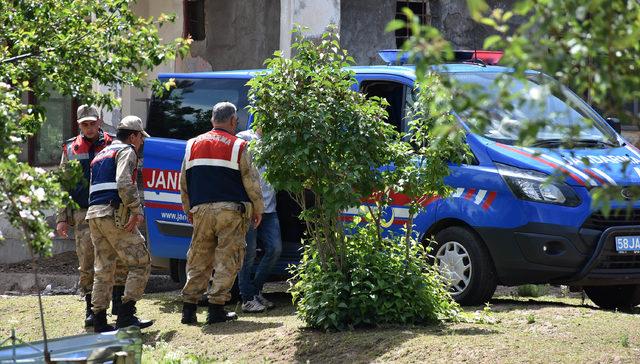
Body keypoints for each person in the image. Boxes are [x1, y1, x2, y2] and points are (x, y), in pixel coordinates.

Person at [179, 102, 264, 325]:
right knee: (228, 259)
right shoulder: (239, 146)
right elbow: (251, 182)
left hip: (201, 210)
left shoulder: (192, 144)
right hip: (230, 211)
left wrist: (188, 209)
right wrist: (258, 209)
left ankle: (188, 310)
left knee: (199, 258)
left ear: (212, 120)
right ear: (234, 121)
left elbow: (184, 182)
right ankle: (216, 309)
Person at [56, 104, 128, 328]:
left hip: (112, 208)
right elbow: (63, 186)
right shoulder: (69, 149)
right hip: (83, 212)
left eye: (92, 123)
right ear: (79, 125)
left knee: (117, 258)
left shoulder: (115, 143)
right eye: (84, 124)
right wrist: (61, 217)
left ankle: (118, 303)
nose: (89, 128)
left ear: (99, 120)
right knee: (87, 261)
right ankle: (91, 308)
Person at [87, 115, 153, 333]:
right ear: (133, 136)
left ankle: (99, 320)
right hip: (114, 213)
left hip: (94, 214)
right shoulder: (127, 151)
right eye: (140, 138)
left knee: (103, 268)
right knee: (141, 261)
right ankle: (126, 315)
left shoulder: (100, 154)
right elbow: (124, 181)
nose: (141, 142)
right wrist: (136, 209)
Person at [236, 128, 282, 313]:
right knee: (248, 254)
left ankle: (255, 291)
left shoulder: (277, 139)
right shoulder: (244, 138)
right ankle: (247, 298)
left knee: (275, 249)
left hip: (269, 208)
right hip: (250, 207)